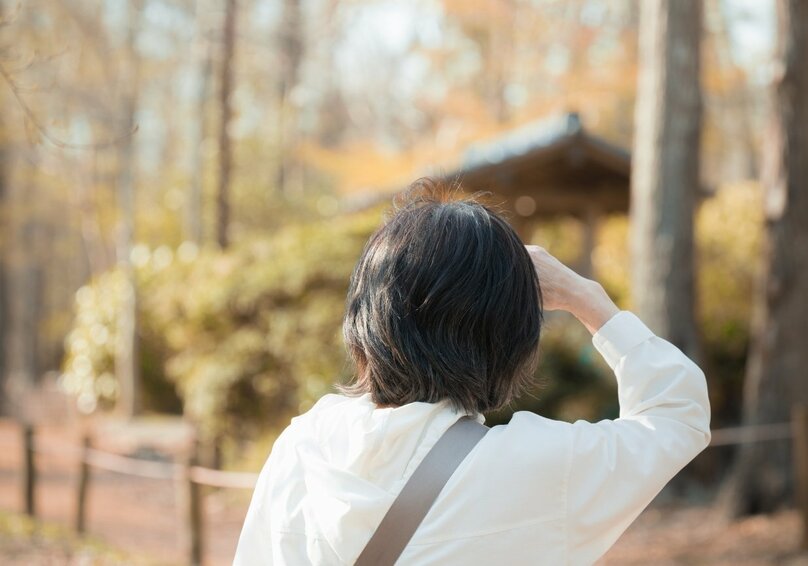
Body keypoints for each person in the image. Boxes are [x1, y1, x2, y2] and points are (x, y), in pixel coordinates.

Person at [234, 179, 711, 565]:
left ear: (365, 316)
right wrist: (586, 298)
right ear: (509, 336)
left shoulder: (306, 443)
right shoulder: (538, 467)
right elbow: (677, 415)